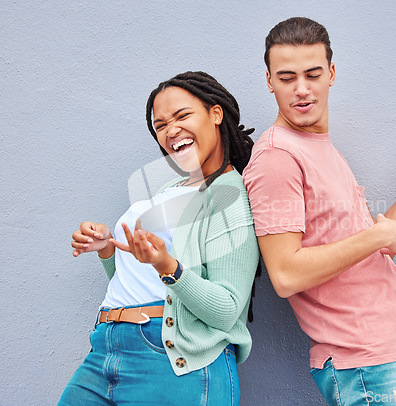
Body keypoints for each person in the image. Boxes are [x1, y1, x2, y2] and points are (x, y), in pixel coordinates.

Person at [242, 17, 396, 405]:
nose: (302, 89)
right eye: (287, 77)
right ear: (269, 81)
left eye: (312, 74)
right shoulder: (277, 157)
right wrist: (379, 235)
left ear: (331, 73)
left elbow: (380, 239)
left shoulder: (323, 148)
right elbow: (285, 274)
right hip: (365, 362)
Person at [59, 71, 260, 406]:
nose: (171, 130)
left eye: (182, 116)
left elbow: (226, 309)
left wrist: (167, 264)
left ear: (215, 113)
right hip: (107, 348)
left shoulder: (230, 197)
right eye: (161, 124)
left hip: (169, 357)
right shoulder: (169, 191)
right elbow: (138, 283)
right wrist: (108, 248)